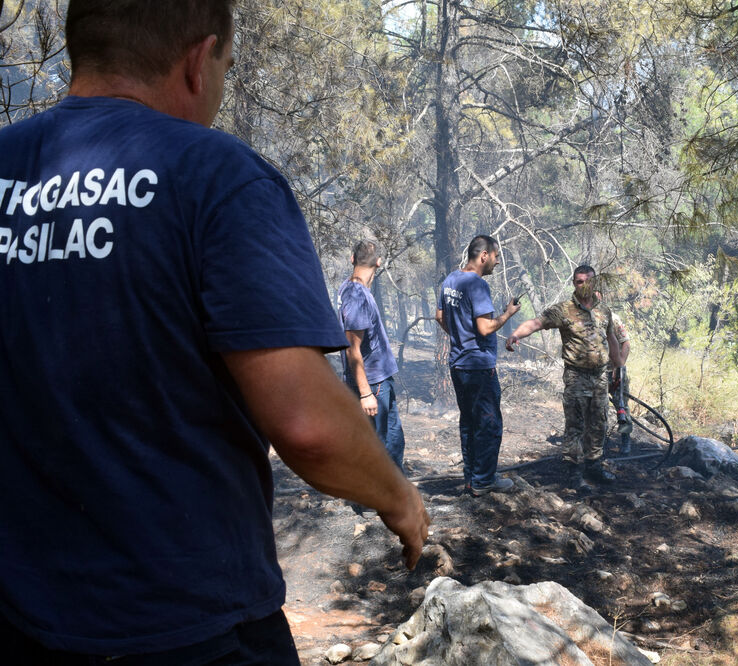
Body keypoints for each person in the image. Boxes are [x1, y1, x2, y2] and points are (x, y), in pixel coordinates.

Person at [0, 2, 429, 664]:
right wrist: (398, 498)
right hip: (188, 625)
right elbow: (308, 427)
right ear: (200, 62)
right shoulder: (216, 176)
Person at [506, 266, 623, 488]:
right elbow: (536, 323)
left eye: (588, 281)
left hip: (600, 377)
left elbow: (611, 339)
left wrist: (618, 366)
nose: (584, 285)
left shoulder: (604, 311)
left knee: (599, 424)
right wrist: (515, 334)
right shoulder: (563, 310)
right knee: (575, 426)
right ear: (574, 284)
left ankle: (594, 467)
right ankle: (574, 473)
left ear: (595, 282)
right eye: (579, 281)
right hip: (576, 377)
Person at [436, 235, 520, 496]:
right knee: (488, 423)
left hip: (459, 365)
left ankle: (471, 478)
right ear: (484, 255)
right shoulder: (478, 285)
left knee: (469, 423)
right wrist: (507, 314)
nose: (496, 263)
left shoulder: (451, 280)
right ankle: (484, 481)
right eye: (496, 257)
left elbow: (439, 316)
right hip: (479, 367)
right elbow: (485, 327)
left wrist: (460, 336)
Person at [339, 240, 406, 469]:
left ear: (352, 259)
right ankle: (370, 499)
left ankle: (392, 497)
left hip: (380, 380)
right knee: (378, 447)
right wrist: (366, 393)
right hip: (373, 384)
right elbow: (352, 348)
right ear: (379, 262)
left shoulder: (352, 289)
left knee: (394, 441)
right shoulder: (356, 295)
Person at [607, 309, 634, 456]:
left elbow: (626, 344)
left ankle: (625, 440)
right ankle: (599, 442)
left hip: (615, 372)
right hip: (596, 373)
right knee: (597, 408)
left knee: (622, 408)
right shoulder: (585, 317)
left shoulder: (613, 319)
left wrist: (619, 366)